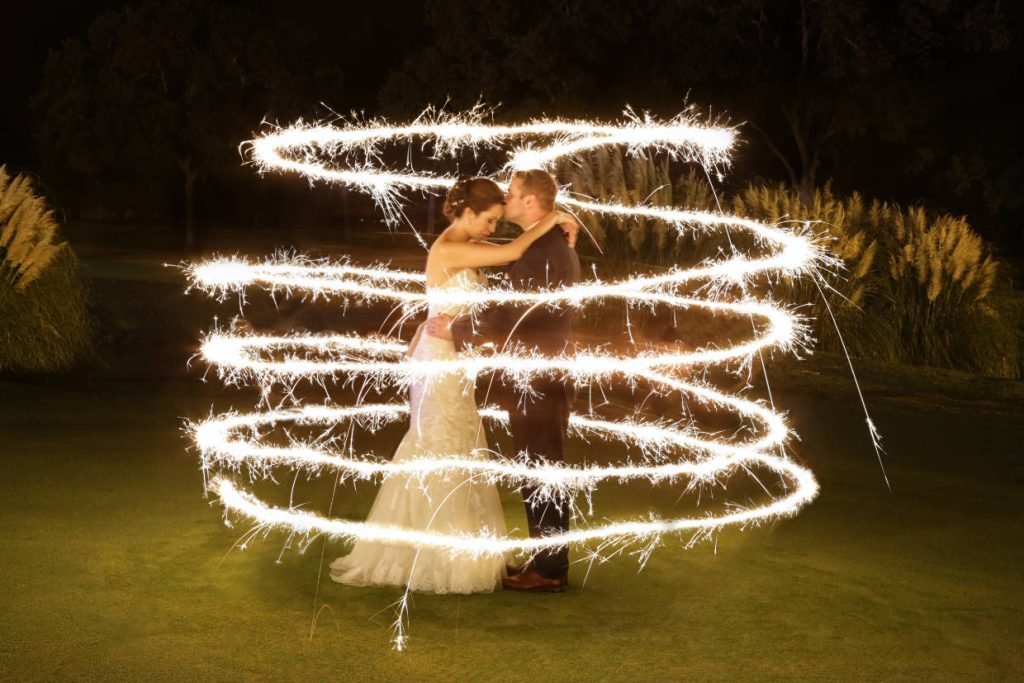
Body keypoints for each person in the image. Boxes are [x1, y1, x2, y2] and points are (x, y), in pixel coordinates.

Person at [330, 176, 578, 593]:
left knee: (468, 448)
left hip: (466, 361)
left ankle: (517, 560)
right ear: (465, 212)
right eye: (487, 219)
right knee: (440, 446)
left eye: (499, 216)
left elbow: (500, 307)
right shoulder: (450, 247)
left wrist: (559, 216)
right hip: (441, 361)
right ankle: (435, 553)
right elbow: (512, 256)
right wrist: (558, 215)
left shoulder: (499, 248)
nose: (491, 227)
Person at [427, 169, 581, 593]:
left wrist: (457, 332)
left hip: (539, 375)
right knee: (539, 466)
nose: (506, 202)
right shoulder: (546, 245)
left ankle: (550, 569)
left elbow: (513, 315)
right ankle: (547, 560)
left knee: (541, 468)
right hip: (540, 371)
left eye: (512, 196)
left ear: (530, 202)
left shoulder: (542, 250)